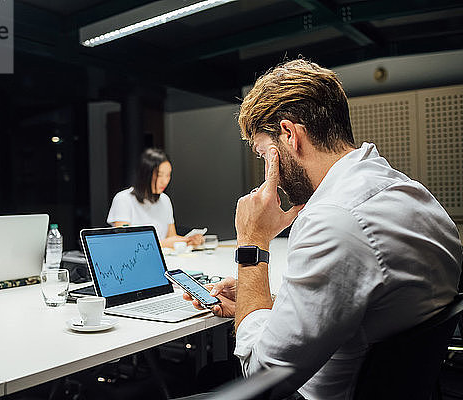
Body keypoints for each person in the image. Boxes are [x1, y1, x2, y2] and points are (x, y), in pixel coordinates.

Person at [184, 59, 462, 399]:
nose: (266, 172)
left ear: (290, 135)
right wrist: (261, 302)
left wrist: (251, 243)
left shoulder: (332, 220)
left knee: (205, 377)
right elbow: (359, 302)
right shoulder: (414, 196)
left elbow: (260, 373)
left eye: (263, 154)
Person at [107, 148, 203, 248]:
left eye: (168, 175)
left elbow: (171, 237)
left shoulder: (165, 200)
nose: (165, 181)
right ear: (146, 174)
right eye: (160, 175)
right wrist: (163, 244)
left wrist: (188, 241)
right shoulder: (124, 199)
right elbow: (124, 241)